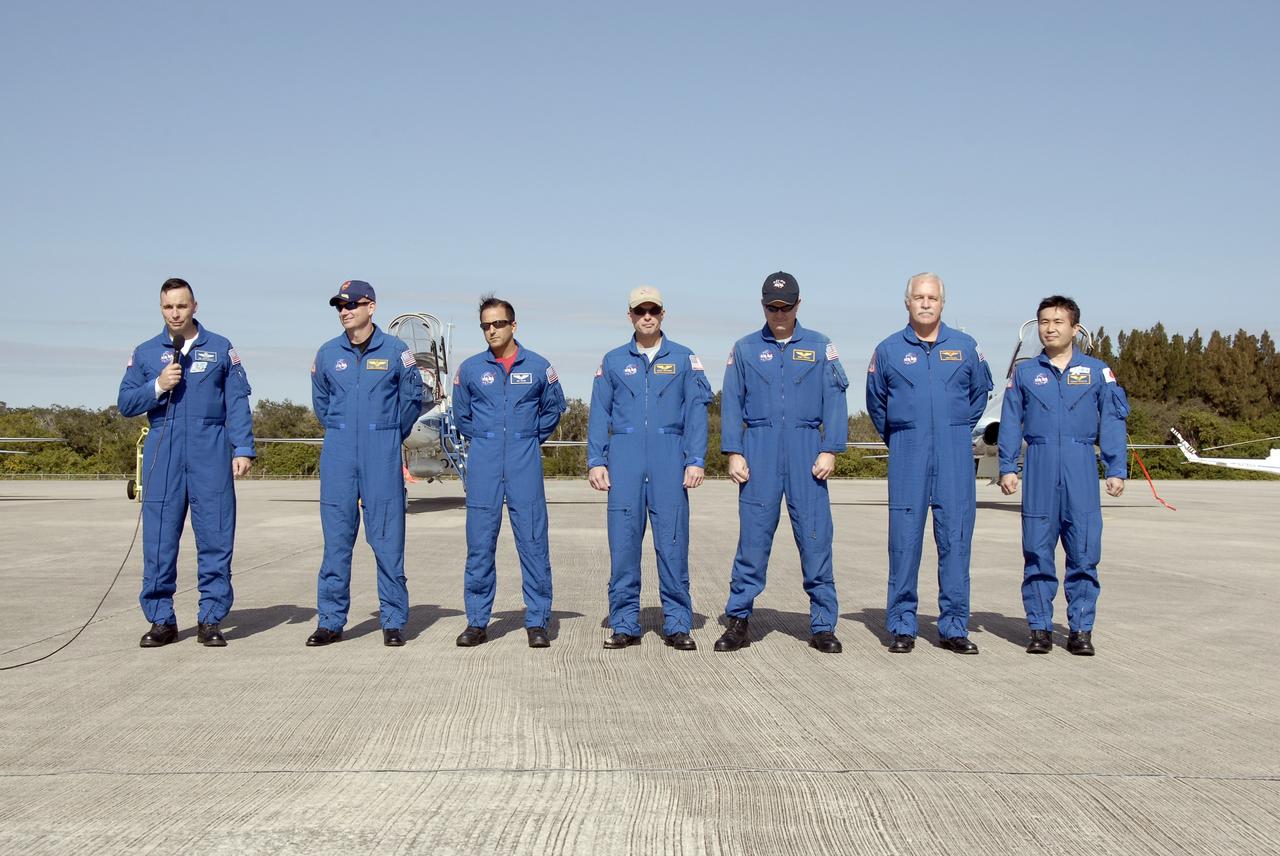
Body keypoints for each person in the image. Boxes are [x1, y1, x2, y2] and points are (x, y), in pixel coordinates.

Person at [117, 277, 255, 648]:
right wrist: (158, 386)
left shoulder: (221, 348)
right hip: (164, 449)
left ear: (195, 306)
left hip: (210, 449)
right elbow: (126, 402)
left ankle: (210, 618)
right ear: (161, 309)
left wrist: (242, 448)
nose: (175, 313)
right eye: (168, 307)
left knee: (215, 536)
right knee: (159, 541)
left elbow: (237, 401)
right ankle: (162, 620)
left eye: (181, 305)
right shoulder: (147, 352)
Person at [716, 271, 850, 653]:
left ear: (798, 305)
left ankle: (823, 624)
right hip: (758, 447)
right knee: (753, 541)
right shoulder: (743, 349)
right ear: (762, 306)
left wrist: (830, 448)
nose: (779, 313)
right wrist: (734, 451)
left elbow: (836, 400)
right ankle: (738, 619)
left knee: (815, 538)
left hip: (807, 448)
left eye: (786, 306)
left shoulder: (821, 346)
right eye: (772, 307)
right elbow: (731, 403)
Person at [866, 273, 993, 654]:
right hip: (908, 451)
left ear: (942, 302)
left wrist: (953, 430)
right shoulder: (888, 350)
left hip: (954, 452)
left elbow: (978, 396)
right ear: (907, 302)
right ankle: (902, 625)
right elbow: (877, 403)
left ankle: (954, 626)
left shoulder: (966, 347)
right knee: (904, 541)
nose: (925, 303)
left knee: (955, 540)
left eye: (932, 297)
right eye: (919, 297)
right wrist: (904, 433)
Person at [998, 295, 1129, 656]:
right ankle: (1039, 628)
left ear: (1074, 328)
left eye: (1058, 322)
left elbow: (1114, 420)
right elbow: (1010, 421)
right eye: (1043, 321)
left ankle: (1080, 630)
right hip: (1038, 464)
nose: (1050, 328)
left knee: (1085, 550)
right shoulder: (1024, 373)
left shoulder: (1098, 371)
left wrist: (1115, 468)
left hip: (1081, 463)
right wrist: (1008, 466)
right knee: (1037, 549)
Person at [587, 286, 712, 650]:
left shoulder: (685, 358)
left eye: (652, 310)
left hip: (669, 457)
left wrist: (695, 459)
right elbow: (599, 414)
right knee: (623, 546)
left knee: (673, 544)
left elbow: (697, 413)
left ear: (662, 314)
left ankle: (676, 624)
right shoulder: (612, 361)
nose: (646, 316)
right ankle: (625, 623)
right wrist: (596, 460)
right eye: (639, 310)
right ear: (629, 315)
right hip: (624, 459)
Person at [306, 280, 424, 647]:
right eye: (340, 306)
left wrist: (387, 434)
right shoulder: (327, 354)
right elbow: (321, 403)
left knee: (387, 539)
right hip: (339, 452)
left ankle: (391, 620)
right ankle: (330, 621)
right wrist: (344, 430)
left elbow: (411, 399)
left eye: (352, 305)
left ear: (371, 307)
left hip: (381, 450)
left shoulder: (395, 351)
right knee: (336, 541)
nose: (344, 311)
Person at [452, 296, 567, 648]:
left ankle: (537, 621)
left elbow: (553, 408)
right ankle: (477, 621)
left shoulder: (538, 366)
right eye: (486, 325)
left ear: (513, 325)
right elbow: (462, 417)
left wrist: (527, 436)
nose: (492, 330)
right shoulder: (470, 370)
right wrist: (488, 439)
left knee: (533, 542)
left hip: (523, 458)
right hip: (484, 459)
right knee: (480, 544)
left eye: (498, 324)